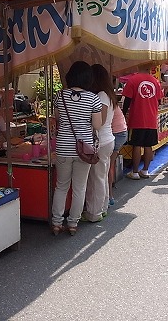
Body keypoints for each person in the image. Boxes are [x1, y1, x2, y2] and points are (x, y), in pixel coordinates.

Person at [51, 61, 102, 236]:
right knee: (79, 188)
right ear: (88, 78)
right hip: (84, 149)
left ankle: (57, 223)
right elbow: (97, 124)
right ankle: (72, 224)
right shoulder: (93, 98)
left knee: (61, 186)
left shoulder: (60, 96)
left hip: (63, 146)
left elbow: (57, 118)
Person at [82, 64, 116, 222]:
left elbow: (99, 122)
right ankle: (102, 207)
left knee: (96, 178)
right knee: (101, 175)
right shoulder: (108, 94)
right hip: (107, 139)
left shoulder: (101, 95)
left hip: (101, 140)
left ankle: (94, 213)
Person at [122, 69, 162, 180]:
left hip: (137, 119)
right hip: (151, 119)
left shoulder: (133, 80)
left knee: (137, 145)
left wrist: (123, 113)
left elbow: (127, 100)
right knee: (148, 145)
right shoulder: (155, 81)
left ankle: (134, 172)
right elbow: (159, 100)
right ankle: (145, 170)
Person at [108, 101, 127, 206]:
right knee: (108, 166)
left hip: (116, 133)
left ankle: (109, 196)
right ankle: (109, 195)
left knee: (107, 167)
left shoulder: (102, 99)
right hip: (120, 132)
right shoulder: (109, 99)